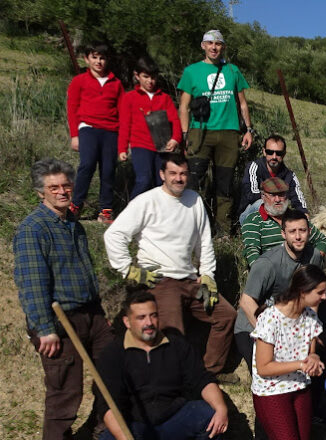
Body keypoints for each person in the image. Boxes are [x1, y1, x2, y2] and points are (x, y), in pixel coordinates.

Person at [104, 153, 237, 378]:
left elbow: (204, 243)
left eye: (183, 173)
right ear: (162, 174)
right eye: (173, 173)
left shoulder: (194, 201)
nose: (178, 178)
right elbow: (114, 234)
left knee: (226, 315)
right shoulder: (147, 201)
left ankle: (208, 373)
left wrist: (207, 276)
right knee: (173, 332)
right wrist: (128, 269)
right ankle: (174, 379)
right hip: (160, 280)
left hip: (189, 279)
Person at [13, 158, 114, 440]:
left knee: (113, 371)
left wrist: (100, 313)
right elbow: (32, 283)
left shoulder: (73, 224)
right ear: (40, 192)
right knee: (65, 391)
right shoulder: (33, 229)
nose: (61, 191)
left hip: (91, 314)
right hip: (58, 321)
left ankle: (102, 428)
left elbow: (86, 274)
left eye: (66, 185)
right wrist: (45, 330)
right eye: (53, 187)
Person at [96, 292, 228, 440]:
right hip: (135, 425)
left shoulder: (176, 345)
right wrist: (124, 437)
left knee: (208, 417)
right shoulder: (113, 354)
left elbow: (202, 379)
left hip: (173, 418)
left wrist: (221, 408)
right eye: (141, 317)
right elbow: (108, 405)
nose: (149, 323)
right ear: (127, 322)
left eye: (153, 315)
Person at [177, 29, 256, 235]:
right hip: (199, 132)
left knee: (225, 184)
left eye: (218, 44)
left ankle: (223, 232)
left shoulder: (232, 71)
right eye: (210, 43)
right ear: (203, 45)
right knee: (194, 181)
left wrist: (248, 130)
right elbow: (183, 106)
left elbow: (243, 103)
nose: (214, 47)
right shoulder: (191, 71)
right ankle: (192, 229)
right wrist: (185, 135)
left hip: (229, 133)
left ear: (223, 47)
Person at [235, 208, 324, 370]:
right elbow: (246, 302)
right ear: (283, 234)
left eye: (302, 231)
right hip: (254, 324)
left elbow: (313, 298)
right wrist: (270, 335)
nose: (298, 236)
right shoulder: (268, 263)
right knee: (269, 371)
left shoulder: (314, 256)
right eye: (292, 232)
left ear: (309, 232)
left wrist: (311, 336)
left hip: (292, 321)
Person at [251, 265, 326, 440]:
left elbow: (311, 347)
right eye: (320, 292)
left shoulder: (309, 315)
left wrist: (313, 358)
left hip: (300, 386)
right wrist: (300, 365)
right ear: (303, 291)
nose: (324, 297)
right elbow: (263, 367)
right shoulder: (270, 319)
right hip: (271, 391)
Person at [67, 42, 124, 223]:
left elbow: (122, 112)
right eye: (94, 57)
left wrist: (124, 140)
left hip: (111, 130)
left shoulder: (116, 83)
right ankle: (75, 205)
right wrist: (74, 135)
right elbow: (72, 108)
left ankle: (105, 210)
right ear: (86, 59)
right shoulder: (79, 81)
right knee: (87, 165)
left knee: (108, 169)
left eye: (102, 58)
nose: (99, 61)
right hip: (88, 128)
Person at [117, 56, 183, 199]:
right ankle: (131, 212)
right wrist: (122, 148)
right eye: (145, 76)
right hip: (140, 145)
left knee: (162, 182)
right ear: (137, 76)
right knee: (144, 179)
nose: (150, 81)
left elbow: (175, 120)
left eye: (153, 77)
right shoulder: (130, 98)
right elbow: (124, 124)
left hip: (162, 147)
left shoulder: (164, 98)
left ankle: (158, 216)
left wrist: (175, 139)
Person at [241, 177, 326, 267]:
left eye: (281, 194)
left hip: (302, 272)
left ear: (287, 196)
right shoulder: (254, 220)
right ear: (263, 197)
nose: (277, 199)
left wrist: (313, 263)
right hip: (273, 271)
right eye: (272, 195)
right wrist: (262, 272)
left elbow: (321, 240)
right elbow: (251, 251)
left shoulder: (297, 217)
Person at [239, 134, 308, 224]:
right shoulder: (254, 167)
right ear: (264, 152)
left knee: (292, 212)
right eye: (270, 152)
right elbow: (251, 195)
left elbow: (299, 200)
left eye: (278, 153)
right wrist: (275, 199)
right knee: (262, 203)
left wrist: (304, 215)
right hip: (251, 215)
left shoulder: (289, 175)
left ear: (284, 154)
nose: (274, 157)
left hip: (279, 214)